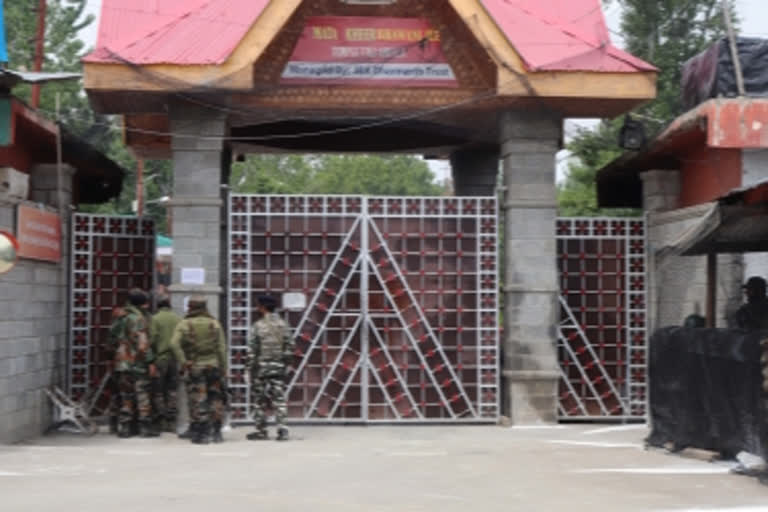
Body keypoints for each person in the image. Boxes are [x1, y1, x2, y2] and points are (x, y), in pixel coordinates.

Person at [170, 295, 227, 444]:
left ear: (190, 307)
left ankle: (201, 432)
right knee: (215, 398)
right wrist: (224, 368)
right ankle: (216, 432)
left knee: (198, 398)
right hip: (213, 366)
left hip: (195, 366)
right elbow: (222, 348)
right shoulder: (215, 324)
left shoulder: (184, 324)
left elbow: (174, 344)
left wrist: (183, 362)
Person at [246, 295, 294, 442]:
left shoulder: (257, 325)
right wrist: (287, 363)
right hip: (278, 367)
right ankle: (282, 429)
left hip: (261, 368)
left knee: (258, 401)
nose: (256, 308)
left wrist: (248, 368)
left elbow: (252, 350)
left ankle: (261, 431)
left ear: (263, 307)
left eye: (258, 305)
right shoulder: (283, 324)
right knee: (279, 399)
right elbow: (290, 346)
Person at [115, 289, 158, 438]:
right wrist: (151, 361)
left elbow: (112, 336)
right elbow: (142, 344)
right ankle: (145, 428)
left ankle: (125, 427)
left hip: (122, 362)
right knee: (142, 394)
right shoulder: (138, 319)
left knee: (126, 395)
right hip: (137, 363)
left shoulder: (121, 316)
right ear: (143, 303)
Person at [150, 294, 181, 433]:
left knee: (158, 391)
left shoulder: (154, 319)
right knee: (172, 391)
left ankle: (160, 421)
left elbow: (151, 340)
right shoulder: (177, 319)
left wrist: (150, 360)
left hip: (160, 360)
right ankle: (172, 422)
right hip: (174, 360)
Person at [106, 306, 127, 435]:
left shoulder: (114, 327)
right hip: (124, 364)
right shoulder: (121, 326)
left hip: (117, 363)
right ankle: (121, 423)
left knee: (116, 394)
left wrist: (109, 362)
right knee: (122, 395)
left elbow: (109, 347)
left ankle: (114, 424)